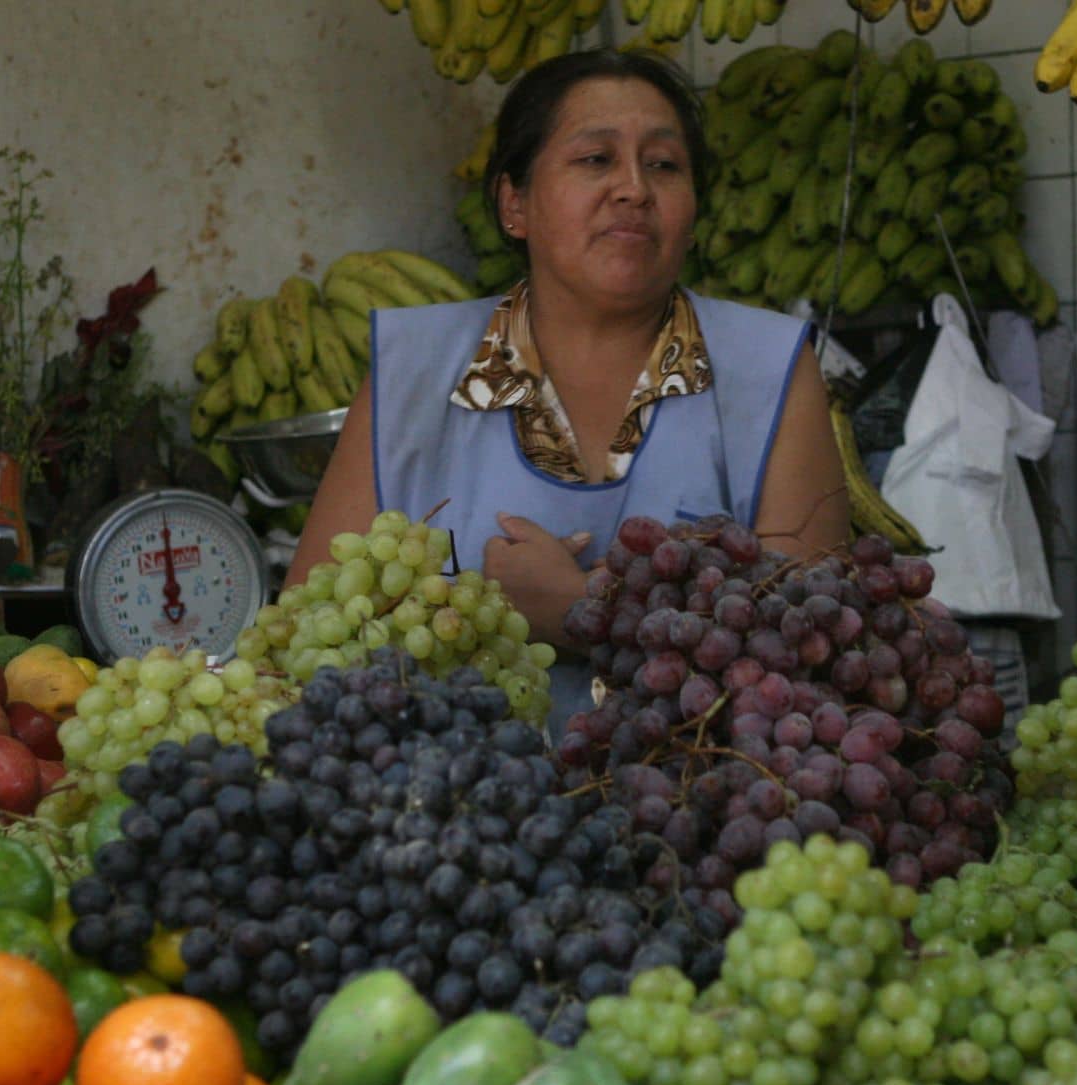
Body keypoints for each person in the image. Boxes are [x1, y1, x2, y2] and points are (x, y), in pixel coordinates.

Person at [288, 48, 848, 736]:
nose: (634, 189)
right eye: (595, 160)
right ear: (514, 204)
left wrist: (586, 611)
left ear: (694, 210)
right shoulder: (415, 369)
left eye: (664, 165)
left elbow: (819, 654)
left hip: (701, 808)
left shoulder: (769, 367)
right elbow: (304, 639)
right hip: (449, 813)